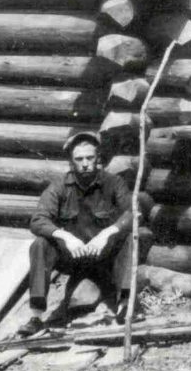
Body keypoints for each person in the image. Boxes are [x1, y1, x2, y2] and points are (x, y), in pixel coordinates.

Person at [18, 131, 136, 337]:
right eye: (79, 159)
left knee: (128, 238)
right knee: (39, 244)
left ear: (98, 158)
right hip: (73, 257)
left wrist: (107, 233)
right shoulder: (59, 187)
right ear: (71, 162)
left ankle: (125, 305)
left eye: (90, 158)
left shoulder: (113, 183)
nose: (85, 164)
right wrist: (65, 236)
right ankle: (36, 316)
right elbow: (37, 220)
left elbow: (133, 213)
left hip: (105, 256)